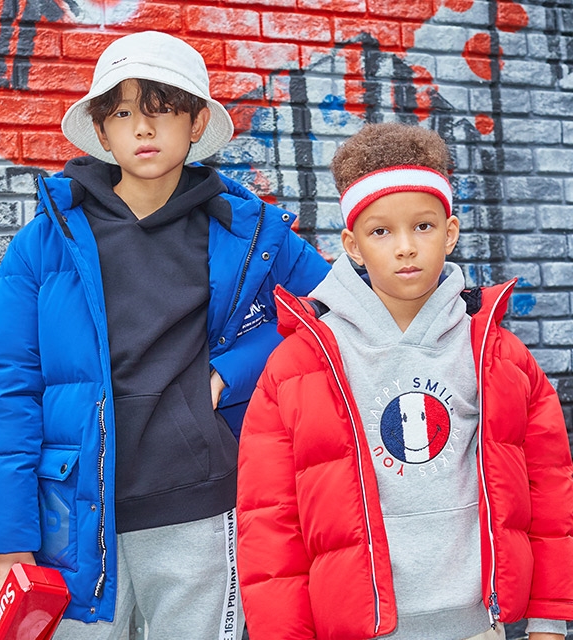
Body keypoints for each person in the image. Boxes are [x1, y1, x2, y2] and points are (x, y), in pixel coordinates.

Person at [0, 30, 330, 640]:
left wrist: (234, 370)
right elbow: (4, 388)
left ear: (196, 124)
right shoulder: (45, 242)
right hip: (71, 517)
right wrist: (5, 536)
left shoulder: (248, 232)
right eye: (123, 113)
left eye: (162, 110)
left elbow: (333, 309)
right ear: (101, 130)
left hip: (202, 505)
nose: (142, 128)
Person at [236, 122, 573, 640]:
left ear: (450, 232)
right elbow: (269, 519)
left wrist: (548, 620)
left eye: (423, 226)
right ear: (352, 245)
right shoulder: (299, 365)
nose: (405, 247)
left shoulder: (498, 356)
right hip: (355, 629)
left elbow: (550, 490)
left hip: (476, 626)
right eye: (380, 232)